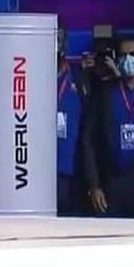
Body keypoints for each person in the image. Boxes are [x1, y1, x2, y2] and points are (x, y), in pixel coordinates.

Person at [82, 36, 134, 217]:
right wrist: (94, 185)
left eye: (133, 54)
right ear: (116, 60)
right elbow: (88, 141)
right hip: (113, 188)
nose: (128, 59)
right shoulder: (104, 95)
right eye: (123, 55)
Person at [56, 23, 91, 215]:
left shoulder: (79, 78)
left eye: (59, 39)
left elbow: (91, 129)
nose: (56, 44)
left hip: (72, 171)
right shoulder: (30, 78)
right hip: (38, 172)